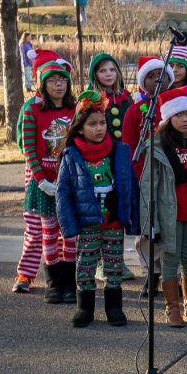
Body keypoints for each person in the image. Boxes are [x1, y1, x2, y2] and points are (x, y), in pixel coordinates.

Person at [56, 90, 139, 327]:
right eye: (92, 124)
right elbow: (63, 192)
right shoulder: (72, 155)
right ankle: (85, 308)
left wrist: (132, 215)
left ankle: (114, 307)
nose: (99, 128)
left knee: (114, 264)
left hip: (113, 221)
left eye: (102, 122)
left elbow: (129, 185)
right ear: (80, 128)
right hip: (88, 223)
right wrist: (68, 224)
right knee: (86, 264)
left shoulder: (119, 151)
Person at [138, 86, 187, 327]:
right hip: (169, 213)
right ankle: (171, 307)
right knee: (170, 258)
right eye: (179, 114)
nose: (185, 119)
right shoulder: (159, 145)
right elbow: (148, 186)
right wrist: (149, 221)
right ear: (168, 117)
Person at [15, 51, 77, 301]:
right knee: (48, 233)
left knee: (69, 234)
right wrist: (41, 180)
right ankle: (53, 282)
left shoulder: (76, 109)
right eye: (53, 80)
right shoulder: (33, 110)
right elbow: (29, 147)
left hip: (69, 182)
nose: (59, 84)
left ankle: (69, 282)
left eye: (62, 80)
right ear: (43, 84)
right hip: (44, 183)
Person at [124, 55, 175, 298]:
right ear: (144, 81)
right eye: (152, 76)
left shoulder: (176, 108)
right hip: (144, 176)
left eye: (162, 76)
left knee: (167, 224)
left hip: (169, 176)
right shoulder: (136, 111)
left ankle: (169, 273)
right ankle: (150, 273)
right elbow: (129, 144)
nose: (157, 80)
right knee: (147, 227)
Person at [86, 52, 133, 143]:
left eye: (112, 70)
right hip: (102, 149)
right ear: (94, 75)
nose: (108, 74)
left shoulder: (126, 98)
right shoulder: (90, 100)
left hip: (126, 149)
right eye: (102, 71)